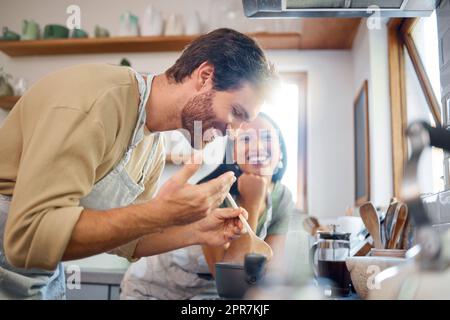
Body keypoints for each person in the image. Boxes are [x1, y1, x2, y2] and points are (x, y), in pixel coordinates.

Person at [0, 28, 275, 299]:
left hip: (39, 278)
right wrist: (162, 212)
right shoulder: (98, 101)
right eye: (236, 112)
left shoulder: (152, 145)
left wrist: (197, 231)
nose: (234, 131)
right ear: (205, 76)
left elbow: (128, 241)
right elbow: (28, 237)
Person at [120, 113, 296, 300]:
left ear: (281, 149)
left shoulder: (282, 196)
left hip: (204, 295)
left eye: (267, 137)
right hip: (153, 288)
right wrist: (252, 203)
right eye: (246, 139)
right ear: (233, 153)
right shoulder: (214, 192)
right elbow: (227, 277)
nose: (258, 146)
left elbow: (271, 269)